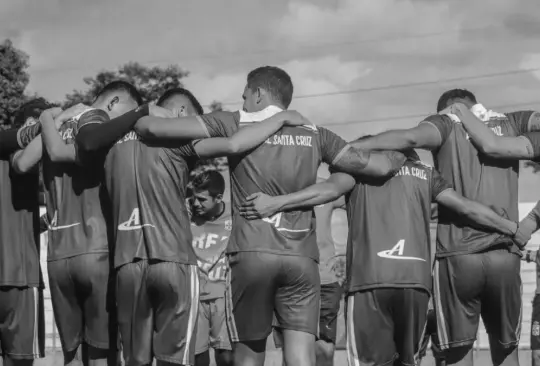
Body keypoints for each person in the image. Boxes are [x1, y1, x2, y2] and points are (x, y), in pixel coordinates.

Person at [132, 66, 408, 366]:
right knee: (302, 358)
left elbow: (151, 128)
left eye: (245, 96)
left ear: (259, 93)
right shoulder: (317, 134)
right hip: (302, 259)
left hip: (251, 255)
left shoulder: (233, 121)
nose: (243, 103)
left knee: (248, 357)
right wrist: (403, 150)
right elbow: (378, 166)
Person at [75, 86, 313, 366]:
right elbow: (234, 144)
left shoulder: (108, 142)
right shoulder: (179, 142)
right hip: (174, 260)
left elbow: (81, 145)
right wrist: (279, 120)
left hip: (128, 262)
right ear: (180, 113)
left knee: (136, 359)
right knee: (175, 359)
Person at [239, 141, 526, 366]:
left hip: (369, 284)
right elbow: (466, 207)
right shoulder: (426, 175)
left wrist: (275, 202)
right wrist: (511, 228)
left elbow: (324, 193)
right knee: (408, 361)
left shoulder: (358, 173)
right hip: (415, 284)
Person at [348, 89, 538, 366]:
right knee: (506, 350)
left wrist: (349, 147)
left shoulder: (444, 124)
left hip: (457, 256)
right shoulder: (512, 122)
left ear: (446, 109)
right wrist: (527, 223)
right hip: (504, 254)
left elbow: (410, 137)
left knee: (458, 352)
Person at [38, 81, 144, 366]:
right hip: (97, 249)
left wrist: (48, 117)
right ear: (113, 103)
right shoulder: (96, 120)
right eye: (126, 113)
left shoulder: (55, 127)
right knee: (103, 354)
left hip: (58, 255)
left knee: (71, 354)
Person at [272, 175, 346, 366]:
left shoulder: (327, 185)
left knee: (324, 349)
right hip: (290, 280)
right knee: (292, 350)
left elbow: (362, 203)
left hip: (326, 279)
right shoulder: (282, 184)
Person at [0, 99, 49, 366]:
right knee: (19, 360)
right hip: (20, 276)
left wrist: (43, 222)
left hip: (18, 270)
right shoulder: (24, 156)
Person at [189, 171, 233, 366]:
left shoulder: (236, 214)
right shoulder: (186, 212)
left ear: (218, 198)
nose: (196, 203)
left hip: (224, 296)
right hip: (194, 296)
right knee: (198, 358)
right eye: (193, 197)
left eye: (201, 199)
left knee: (226, 357)